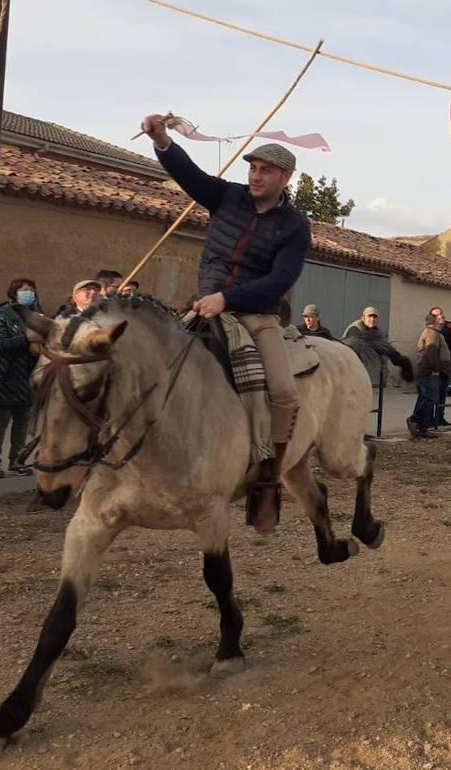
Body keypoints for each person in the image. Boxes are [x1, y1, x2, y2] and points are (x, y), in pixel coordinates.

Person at [142, 113, 309, 533]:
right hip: (205, 302)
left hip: (255, 311)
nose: (254, 175)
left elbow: (282, 279)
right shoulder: (226, 196)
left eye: (265, 170)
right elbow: (188, 174)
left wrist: (228, 298)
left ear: (285, 177)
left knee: (285, 393)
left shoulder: (295, 225)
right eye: (252, 168)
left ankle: (268, 479)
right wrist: (162, 140)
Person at [0, 278, 45, 478]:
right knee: (2, 419)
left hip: (30, 374)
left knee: (23, 420)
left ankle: (17, 460)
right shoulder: (2, 315)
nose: (29, 293)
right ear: (14, 293)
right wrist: (26, 339)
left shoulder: (37, 315)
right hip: (7, 374)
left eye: (32, 289)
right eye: (24, 290)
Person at [409, 314, 449, 439]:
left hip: (430, 372)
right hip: (430, 373)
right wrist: (435, 369)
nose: (443, 320)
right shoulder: (432, 333)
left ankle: (421, 427)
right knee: (430, 398)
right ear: (434, 321)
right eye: (440, 318)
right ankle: (417, 422)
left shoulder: (435, 333)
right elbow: (431, 350)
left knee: (427, 398)